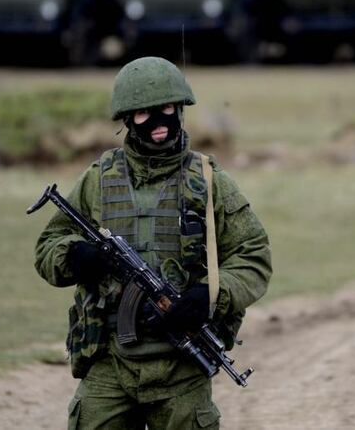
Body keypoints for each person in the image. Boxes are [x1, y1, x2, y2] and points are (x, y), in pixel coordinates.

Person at [34, 56, 272, 429]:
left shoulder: (208, 181)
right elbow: (48, 247)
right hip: (109, 362)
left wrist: (208, 295)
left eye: (166, 109)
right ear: (128, 119)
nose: (159, 122)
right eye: (144, 114)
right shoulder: (98, 180)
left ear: (180, 109)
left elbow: (253, 257)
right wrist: (77, 257)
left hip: (181, 367)